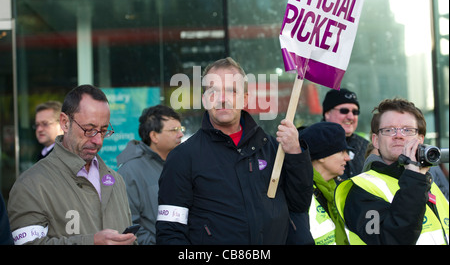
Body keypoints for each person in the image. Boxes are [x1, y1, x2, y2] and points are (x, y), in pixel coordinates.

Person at [156, 57, 313, 244]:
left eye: (231, 90)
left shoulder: (272, 149)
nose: (222, 99)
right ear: (205, 100)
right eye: (213, 91)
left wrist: (295, 153)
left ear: (245, 98)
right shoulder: (183, 157)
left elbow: (300, 204)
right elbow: (170, 232)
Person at [8, 84, 136, 245]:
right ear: (64, 122)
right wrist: (92, 242)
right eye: (89, 129)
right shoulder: (30, 185)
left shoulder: (116, 180)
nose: (98, 140)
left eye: (103, 131)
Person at [335, 98, 449, 245]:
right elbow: (388, 240)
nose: (398, 135)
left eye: (407, 130)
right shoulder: (359, 191)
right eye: (389, 130)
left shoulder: (427, 181)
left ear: (420, 139)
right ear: (376, 141)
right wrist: (414, 178)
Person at [117, 105, 184, 245]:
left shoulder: (181, 164)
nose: (181, 134)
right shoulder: (131, 171)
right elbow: (129, 226)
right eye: (174, 130)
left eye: (181, 129)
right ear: (154, 136)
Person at [298, 122, 351, 245]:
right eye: (341, 151)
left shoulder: (334, 189)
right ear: (322, 156)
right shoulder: (299, 193)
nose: (347, 158)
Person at [322, 88, 369, 180]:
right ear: (327, 113)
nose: (351, 117)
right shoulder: (311, 142)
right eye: (344, 111)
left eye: (355, 112)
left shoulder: (366, 146)